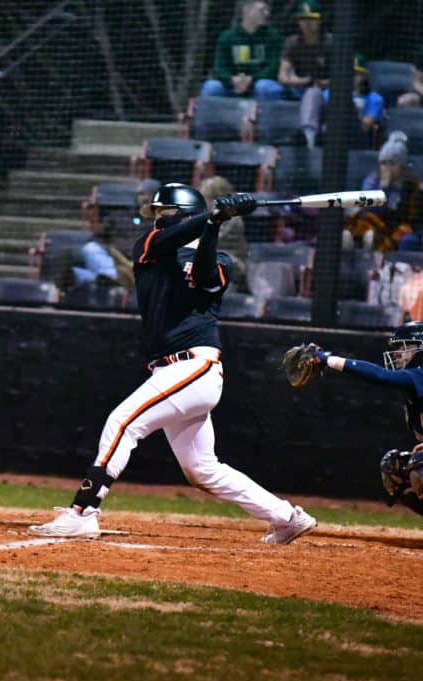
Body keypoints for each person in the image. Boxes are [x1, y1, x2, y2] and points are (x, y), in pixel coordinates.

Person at [29, 183, 317, 543]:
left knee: (122, 423)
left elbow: (205, 275)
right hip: (170, 370)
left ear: (183, 214)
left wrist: (214, 224)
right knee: (202, 468)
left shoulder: (221, 260)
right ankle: (288, 518)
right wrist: (212, 217)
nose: (156, 219)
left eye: (164, 212)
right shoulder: (150, 248)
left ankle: (83, 512)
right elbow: (171, 240)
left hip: (195, 367)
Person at [295, 322, 423, 553]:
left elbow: (381, 376)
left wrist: (326, 358)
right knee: (396, 468)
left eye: (406, 347)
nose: (398, 353)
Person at [345, 131, 423, 252]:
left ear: (402, 166)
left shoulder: (412, 187)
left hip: (396, 228)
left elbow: (415, 218)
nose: (386, 168)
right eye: (383, 163)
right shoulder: (372, 181)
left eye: (392, 163)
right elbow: (369, 210)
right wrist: (384, 189)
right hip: (373, 222)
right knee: (356, 227)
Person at [201, 0, 285, 100]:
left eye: (267, 10)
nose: (267, 13)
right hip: (232, 87)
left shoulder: (273, 36)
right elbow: (219, 68)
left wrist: (251, 79)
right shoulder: (227, 37)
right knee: (211, 87)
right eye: (262, 10)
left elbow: (273, 67)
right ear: (246, 10)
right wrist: (233, 80)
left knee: (265, 87)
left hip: (258, 87)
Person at [300, 52, 384, 149]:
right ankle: (309, 140)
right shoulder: (328, 93)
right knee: (312, 92)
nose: (351, 76)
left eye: (356, 74)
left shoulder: (374, 98)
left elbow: (365, 128)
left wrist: (352, 108)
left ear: (364, 76)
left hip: (355, 140)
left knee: (343, 99)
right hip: (326, 134)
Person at [276, 0, 331, 146]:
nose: (307, 23)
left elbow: (343, 77)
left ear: (320, 20)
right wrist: (301, 81)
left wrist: (323, 83)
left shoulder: (330, 42)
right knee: (267, 88)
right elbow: (282, 76)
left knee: (314, 94)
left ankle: (309, 138)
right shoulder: (292, 42)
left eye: (311, 19)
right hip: (298, 88)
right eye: (303, 18)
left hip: (325, 92)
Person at [199, 175, 249, 292]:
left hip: (231, 263)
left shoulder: (232, 217)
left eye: (207, 197)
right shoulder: (208, 215)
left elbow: (211, 240)